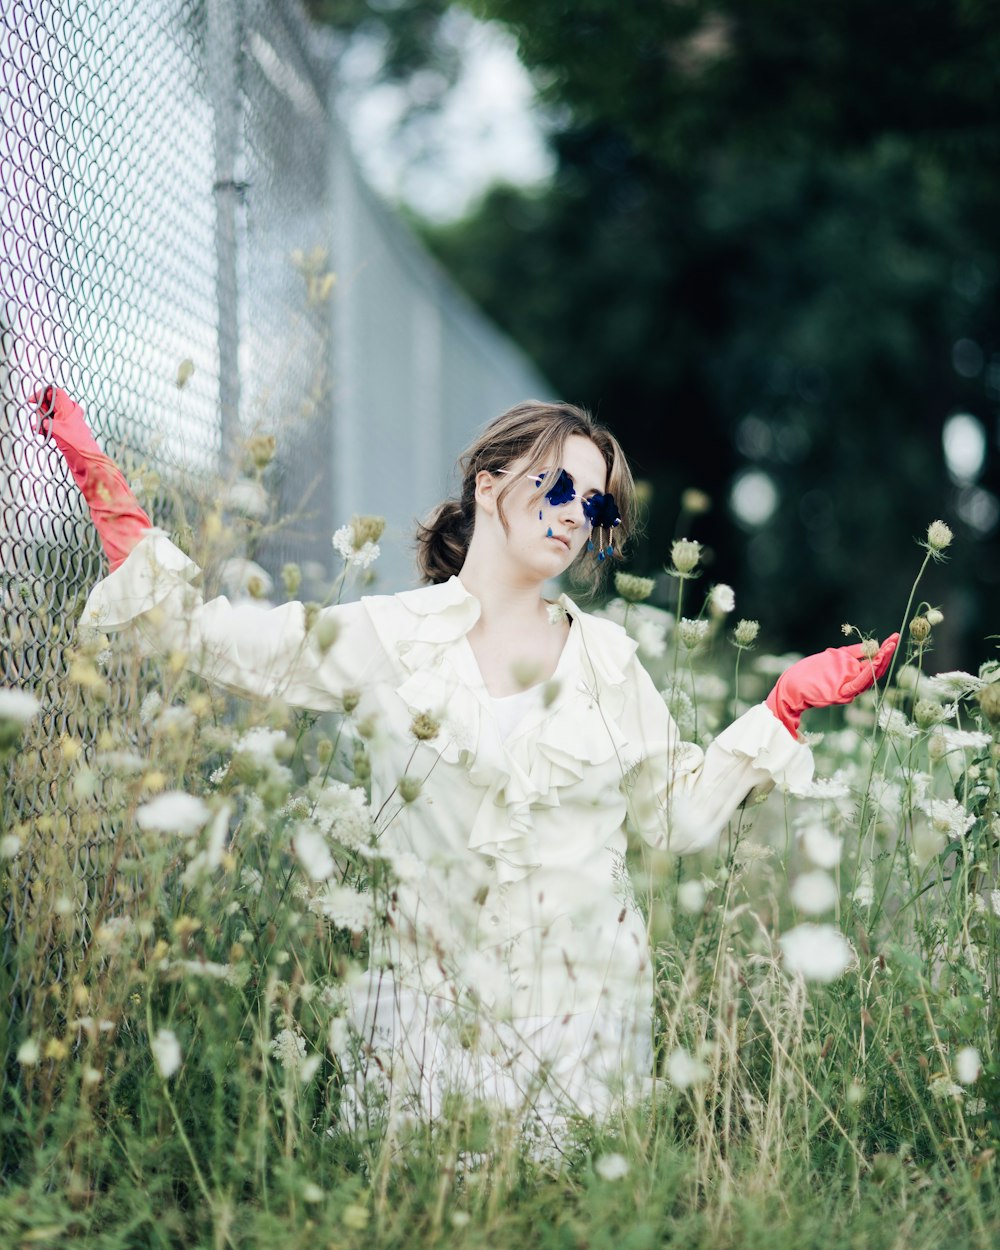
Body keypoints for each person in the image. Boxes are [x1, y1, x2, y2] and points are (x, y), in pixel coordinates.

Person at [33, 386, 896, 1147]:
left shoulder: (609, 660)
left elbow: (677, 818)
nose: (572, 514)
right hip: (421, 1032)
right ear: (489, 483)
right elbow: (201, 635)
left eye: (594, 506)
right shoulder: (387, 635)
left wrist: (780, 706)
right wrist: (100, 483)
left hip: (586, 1033)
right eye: (556, 485)